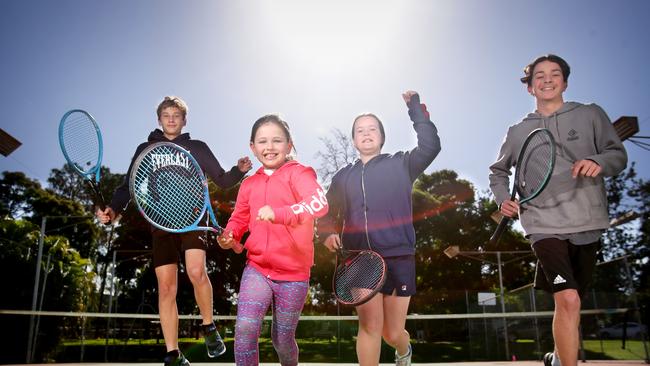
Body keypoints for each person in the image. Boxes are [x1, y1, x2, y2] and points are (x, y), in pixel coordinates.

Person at [488, 54, 627, 366]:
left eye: (554, 74)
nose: (547, 79)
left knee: (571, 304)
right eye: (539, 75)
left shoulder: (591, 114)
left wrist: (598, 162)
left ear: (564, 81)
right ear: (530, 87)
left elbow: (617, 156)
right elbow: (497, 172)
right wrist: (502, 199)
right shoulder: (517, 131)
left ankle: (556, 357)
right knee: (568, 298)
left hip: (587, 220)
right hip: (541, 223)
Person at [96, 96, 252, 366]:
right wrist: (113, 209)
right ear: (159, 119)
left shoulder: (197, 147)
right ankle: (172, 354)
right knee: (166, 288)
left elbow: (223, 180)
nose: (170, 119)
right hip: (161, 223)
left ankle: (208, 326)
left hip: (192, 217)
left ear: (184, 120)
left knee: (195, 271)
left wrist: (238, 171)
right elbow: (127, 186)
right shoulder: (146, 149)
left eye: (176, 115)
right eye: (166, 115)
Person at [317, 91, 441, 366]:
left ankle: (404, 350)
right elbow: (325, 210)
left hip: (399, 255)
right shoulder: (342, 176)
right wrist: (326, 233)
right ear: (353, 140)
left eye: (372, 128)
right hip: (359, 258)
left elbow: (431, 147)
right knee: (370, 326)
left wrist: (415, 111)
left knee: (391, 332)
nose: (366, 133)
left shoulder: (402, 163)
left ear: (382, 136)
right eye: (360, 130)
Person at [216, 114, 328, 366]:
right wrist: (230, 235)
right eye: (262, 141)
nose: (269, 147)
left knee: (282, 339)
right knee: (244, 330)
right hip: (257, 269)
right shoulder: (248, 184)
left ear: (289, 145)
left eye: (277, 140)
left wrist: (280, 214)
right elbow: (239, 219)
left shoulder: (300, 173)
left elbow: (319, 204)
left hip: (294, 275)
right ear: (252, 147)